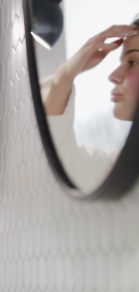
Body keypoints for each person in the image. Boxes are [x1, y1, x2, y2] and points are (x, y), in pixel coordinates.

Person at [42, 16, 139, 191]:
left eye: (132, 62)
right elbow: (54, 163)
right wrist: (64, 76)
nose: (113, 76)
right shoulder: (121, 170)